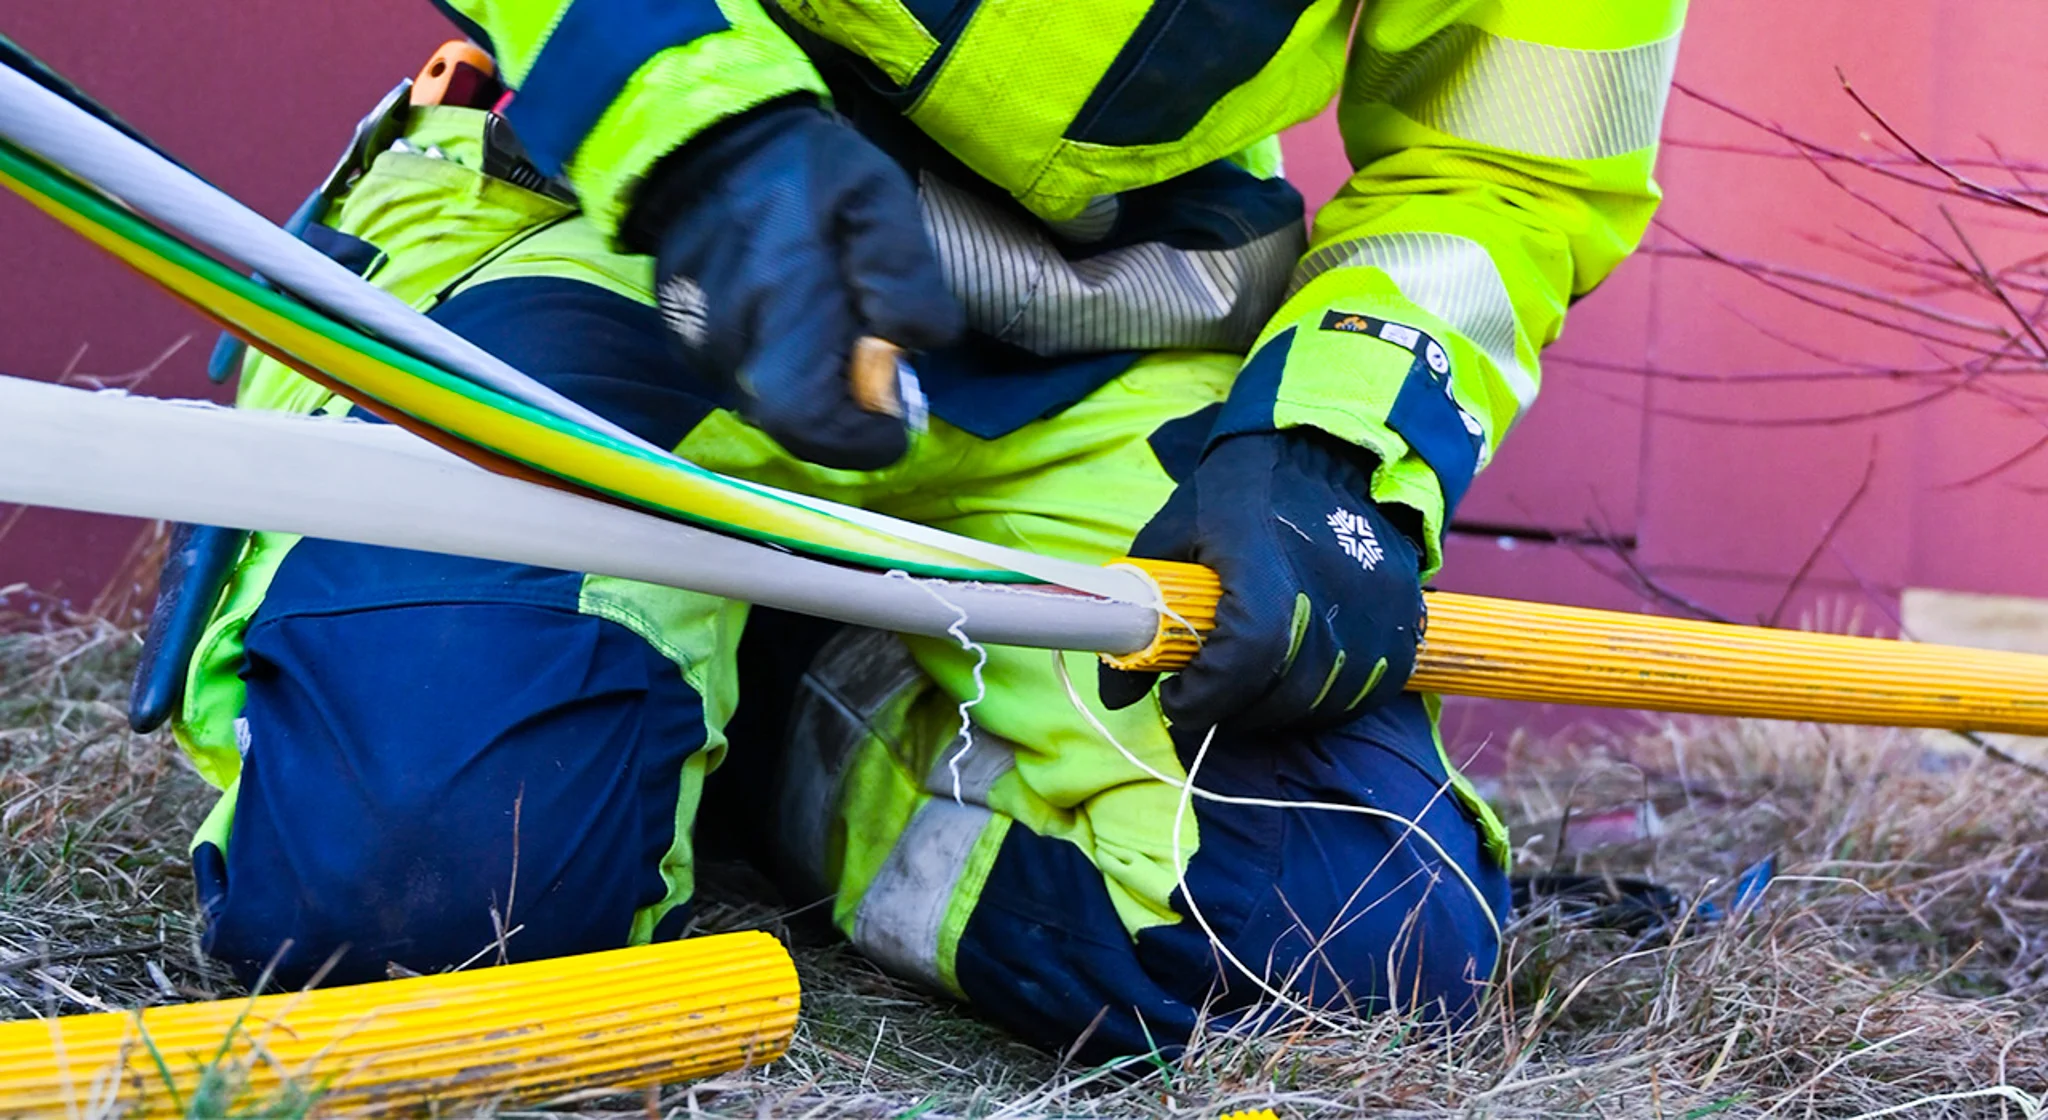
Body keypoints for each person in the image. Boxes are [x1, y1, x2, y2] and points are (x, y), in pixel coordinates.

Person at [165, 0, 1684, 1059]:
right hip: (628, 212)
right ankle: (617, 674)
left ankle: (781, 703)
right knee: (435, 903)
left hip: (1112, 319)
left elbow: (1508, 164)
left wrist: (1331, 443)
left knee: (1340, 936)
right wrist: (711, 141)